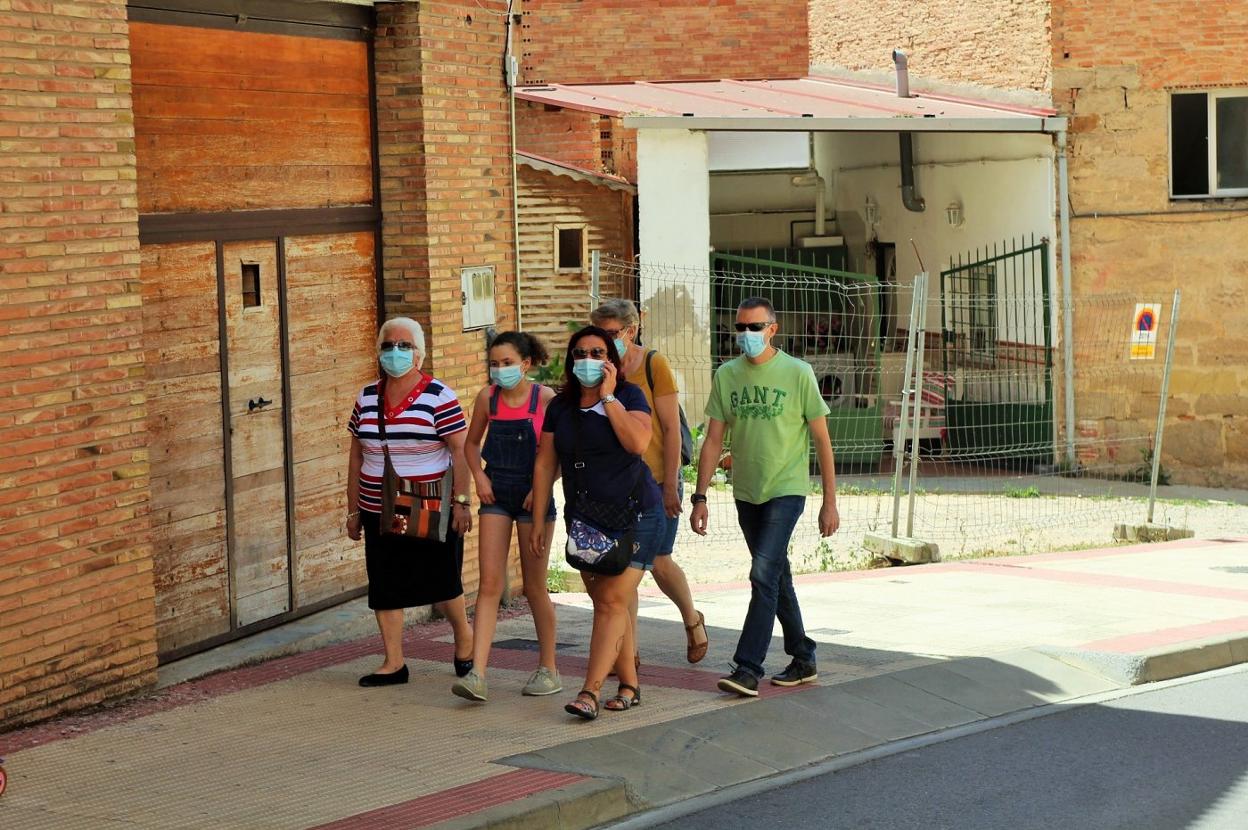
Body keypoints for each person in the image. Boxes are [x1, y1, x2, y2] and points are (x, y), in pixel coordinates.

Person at [690, 297, 840, 697]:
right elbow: (713, 439)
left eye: (755, 328)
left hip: (786, 490)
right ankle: (803, 655)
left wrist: (830, 501)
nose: (747, 335)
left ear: (772, 329)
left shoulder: (797, 373)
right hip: (747, 492)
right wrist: (699, 496)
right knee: (775, 575)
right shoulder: (727, 375)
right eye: (740, 327)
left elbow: (823, 441)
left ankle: (747, 667)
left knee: (761, 574)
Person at [529, 326, 663, 719]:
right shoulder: (560, 406)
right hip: (586, 518)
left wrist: (607, 397)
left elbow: (637, 444)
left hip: (638, 513)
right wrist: (539, 517)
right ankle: (629, 683)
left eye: (598, 353)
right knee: (608, 602)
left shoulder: (629, 396)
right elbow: (544, 464)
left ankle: (589, 691)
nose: (589, 360)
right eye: (581, 353)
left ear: (612, 361)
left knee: (610, 602)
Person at [345, 316, 475, 687]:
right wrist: (353, 509)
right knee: (384, 581)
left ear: (419, 354)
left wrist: (462, 502)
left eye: (403, 346)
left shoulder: (439, 396)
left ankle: (463, 636)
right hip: (377, 507)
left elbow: (461, 452)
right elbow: (356, 454)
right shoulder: (366, 396)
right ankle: (393, 662)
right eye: (388, 345)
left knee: (442, 579)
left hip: (429, 506)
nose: (395, 352)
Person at [590, 300, 708, 665]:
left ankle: (691, 618)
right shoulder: (597, 370)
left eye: (612, 334)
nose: (607, 342)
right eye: (600, 334)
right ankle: (630, 653)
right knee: (627, 568)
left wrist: (671, 484)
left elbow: (671, 428)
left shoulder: (654, 364)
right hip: (617, 486)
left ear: (631, 330)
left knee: (656, 561)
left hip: (657, 480)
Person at [452, 332, 561, 702]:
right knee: (489, 584)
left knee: (534, 587)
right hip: (496, 494)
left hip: (535, 500)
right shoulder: (487, 398)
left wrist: (540, 489)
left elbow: (557, 456)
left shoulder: (545, 399)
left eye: (507, 363)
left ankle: (548, 668)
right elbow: (470, 442)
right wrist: (479, 476)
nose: (500, 371)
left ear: (526, 364)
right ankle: (477, 674)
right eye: (494, 364)